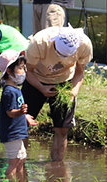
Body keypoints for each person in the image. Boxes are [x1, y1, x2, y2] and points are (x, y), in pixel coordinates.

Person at [23, 26, 92, 161]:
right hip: (36, 80)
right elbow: (28, 71)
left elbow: (79, 72)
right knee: (22, 124)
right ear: (54, 42)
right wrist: (41, 88)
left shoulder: (85, 45)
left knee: (62, 129)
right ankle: (20, 162)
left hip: (64, 82)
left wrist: (73, 92)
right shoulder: (38, 43)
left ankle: (57, 167)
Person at [0, 50, 36, 180]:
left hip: (18, 132)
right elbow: (10, 112)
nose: (23, 71)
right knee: (13, 163)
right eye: (20, 68)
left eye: (24, 68)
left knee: (21, 159)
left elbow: (15, 109)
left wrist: (25, 117)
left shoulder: (15, 90)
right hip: (11, 133)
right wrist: (20, 112)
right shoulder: (9, 92)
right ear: (9, 71)